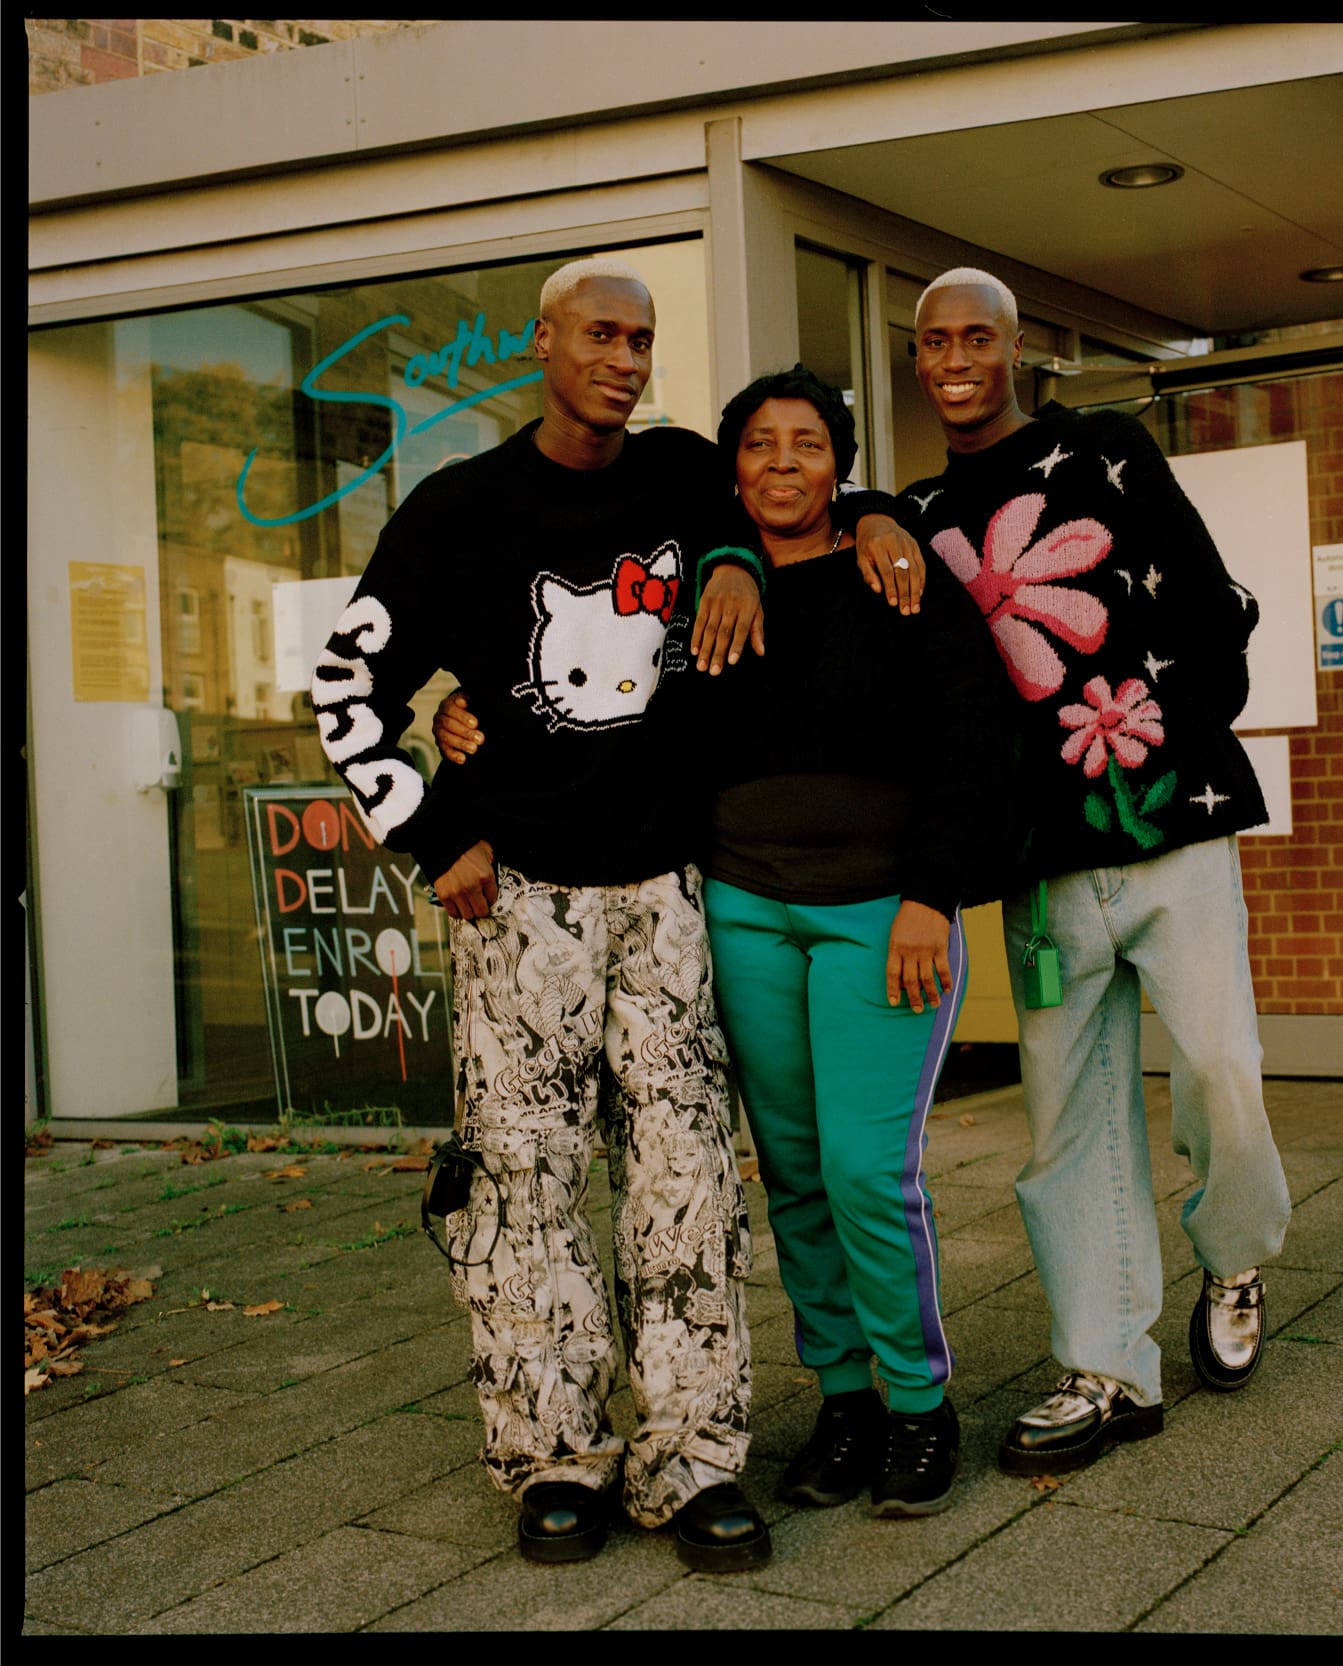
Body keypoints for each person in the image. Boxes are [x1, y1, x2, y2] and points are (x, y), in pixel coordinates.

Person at [310, 255, 922, 1572]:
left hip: (669, 891)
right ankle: (554, 1456)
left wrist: (879, 519)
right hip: (518, 901)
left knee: (689, 1183)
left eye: (641, 340)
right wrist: (429, 832)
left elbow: (795, 481)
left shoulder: (681, 474)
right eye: (599, 334)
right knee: (525, 1187)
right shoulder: (455, 512)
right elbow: (343, 683)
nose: (624, 359)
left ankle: (694, 1458)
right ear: (542, 347)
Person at [899, 268, 1292, 1474]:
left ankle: (1233, 1254)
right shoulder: (914, 514)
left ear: (1019, 351)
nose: (957, 355)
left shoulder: (1104, 449)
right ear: (919, 362)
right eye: (935, 341)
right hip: (1041, 873)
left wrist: (1156, 733)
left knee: (1223, 1070)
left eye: (980, 336)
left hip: (1169, 829)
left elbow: (1218, 607)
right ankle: (1109, 1366)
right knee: (1070, 1124)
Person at [697, 366, 1016, 1518]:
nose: (784, 464)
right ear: (733, 469)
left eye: (809, 445)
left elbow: (972, 738)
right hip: (745, 911)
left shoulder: (898, 570)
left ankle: (922, 1404)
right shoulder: (703, 582)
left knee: (866, 1174)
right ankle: (845, 1399)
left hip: (885, 917)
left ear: (841, 466)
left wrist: (934, 892)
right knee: (791, 1173)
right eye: (761, 446)